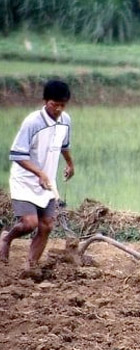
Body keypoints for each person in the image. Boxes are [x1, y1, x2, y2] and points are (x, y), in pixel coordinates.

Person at [0, 80, 75, 270]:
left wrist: (69, 163)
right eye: (54, 104)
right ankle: (6, 238)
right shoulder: (33, 122)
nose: (58, 109)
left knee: (47, 225)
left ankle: (31, 265)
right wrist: (39, 172)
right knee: (29, 223)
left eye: (62, 105)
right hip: (25, 180)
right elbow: (17, 154)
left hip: (47, 182)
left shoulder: (65, 120)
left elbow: (64, 145)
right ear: (45, 101)